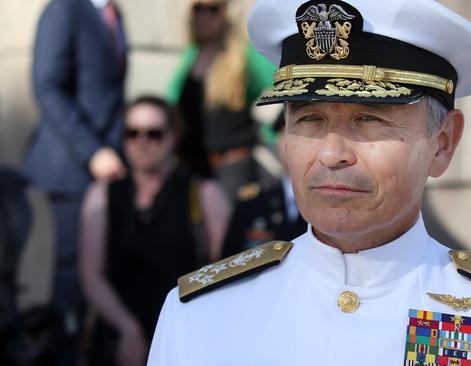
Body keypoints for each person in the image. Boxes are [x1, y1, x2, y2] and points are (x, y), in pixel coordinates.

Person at [148, 1, 471, 365]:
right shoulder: (200, 317)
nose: (331, 153)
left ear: (443, 143)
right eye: (309, 118)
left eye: (369, 119)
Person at [79, 96, 231, 366]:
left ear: (173, 137)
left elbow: (225, 274)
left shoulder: (204, 194)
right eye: (132, 133)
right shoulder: (102, 195)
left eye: (154, 133)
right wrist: (128, 329)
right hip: (115, 340)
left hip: (184, 338)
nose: (142, 141)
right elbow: (91, 276)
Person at [23, 0, 128, 363]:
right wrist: (92, 151)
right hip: (71, 170)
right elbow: (47, 85)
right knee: (70, 283)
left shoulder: (114, 15)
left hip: (108, 170)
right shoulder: (64, 9)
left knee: (99, 277)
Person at [167, 0, 276, 200]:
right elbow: (171, 102)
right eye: (198, 9)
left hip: (231, 168)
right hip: (190, 166)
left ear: (226, 12)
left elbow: (280, 80)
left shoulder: (243, 55)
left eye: (213, 9)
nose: (204, 16)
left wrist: (271, 130)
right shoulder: (192, 54)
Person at [221, 114, 307, 257]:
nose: (290, 143)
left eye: (301, 134)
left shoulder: (334, 205)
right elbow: (226, 265)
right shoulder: (251, 205)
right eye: (285, 133)